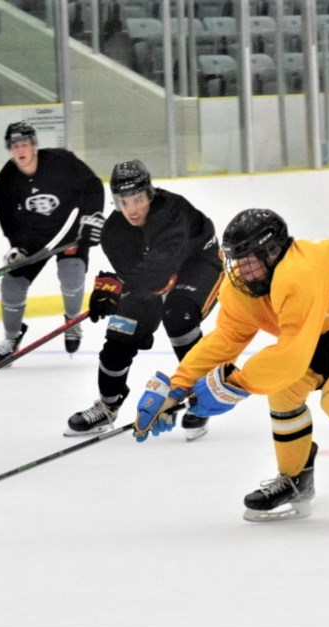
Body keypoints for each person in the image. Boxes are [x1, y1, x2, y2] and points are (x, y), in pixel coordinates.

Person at [133, 208, 329, 532]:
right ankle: (295, 481)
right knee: (284, 389)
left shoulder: (298, 274)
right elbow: (226, 338)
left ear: (273, 251)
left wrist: (232, 386)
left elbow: (290, 357)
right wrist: (177, 387)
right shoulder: (243, 285)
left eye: (249, 260)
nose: (241, 271)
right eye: (235, 261)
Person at [67, 159, 224, 439]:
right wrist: (112, 293)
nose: (132, 209)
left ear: (149, 193)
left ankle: (203, 398)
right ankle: (108, 405)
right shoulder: (114, 232)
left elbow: (161, 275)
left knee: (178, 314)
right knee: (120, 329)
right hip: (154, 274)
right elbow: (138, 282)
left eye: (137, 199)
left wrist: (119, 285)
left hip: (199, 262)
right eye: (123, 202)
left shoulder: (172, 212)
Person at [0, 121, 106, 368]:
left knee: (71, 272)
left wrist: (92, 216)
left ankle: (72, 323)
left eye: (25, 144)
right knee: (12, 284)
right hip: (33, 241)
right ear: (9, 149)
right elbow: (8, 221)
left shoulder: (60, 161)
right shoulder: (4, 182)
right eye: (15, 145)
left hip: (70, 231)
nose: (20, 150)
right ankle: (11, 338)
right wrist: (17, 248)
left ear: (34, 146)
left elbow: (92, 185)